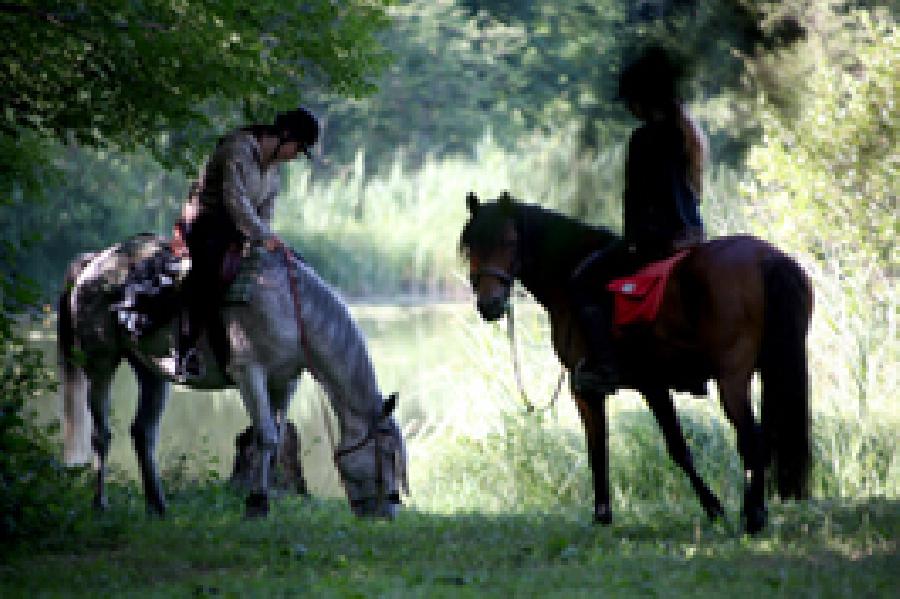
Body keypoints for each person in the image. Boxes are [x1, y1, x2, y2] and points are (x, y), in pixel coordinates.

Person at [571, 47, 708, 394]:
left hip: (655, 240)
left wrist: (630, 242)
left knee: (583, 281)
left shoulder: (644, 138)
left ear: (642, 100)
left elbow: (636, 200)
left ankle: (606, 368)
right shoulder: (686, 133)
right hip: (690, 236)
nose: (630, 108)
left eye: (631, 100)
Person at [177, 107, 320, 378]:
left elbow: (265, 211)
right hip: (207, 223)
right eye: (298, 148)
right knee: (208, 274)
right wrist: (263, 236)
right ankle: (188, 348)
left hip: (239, 229)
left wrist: (267, 241)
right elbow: (236, 201)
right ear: (284, 135)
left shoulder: (274, 170)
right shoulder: (238, 149)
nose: (296, 156)